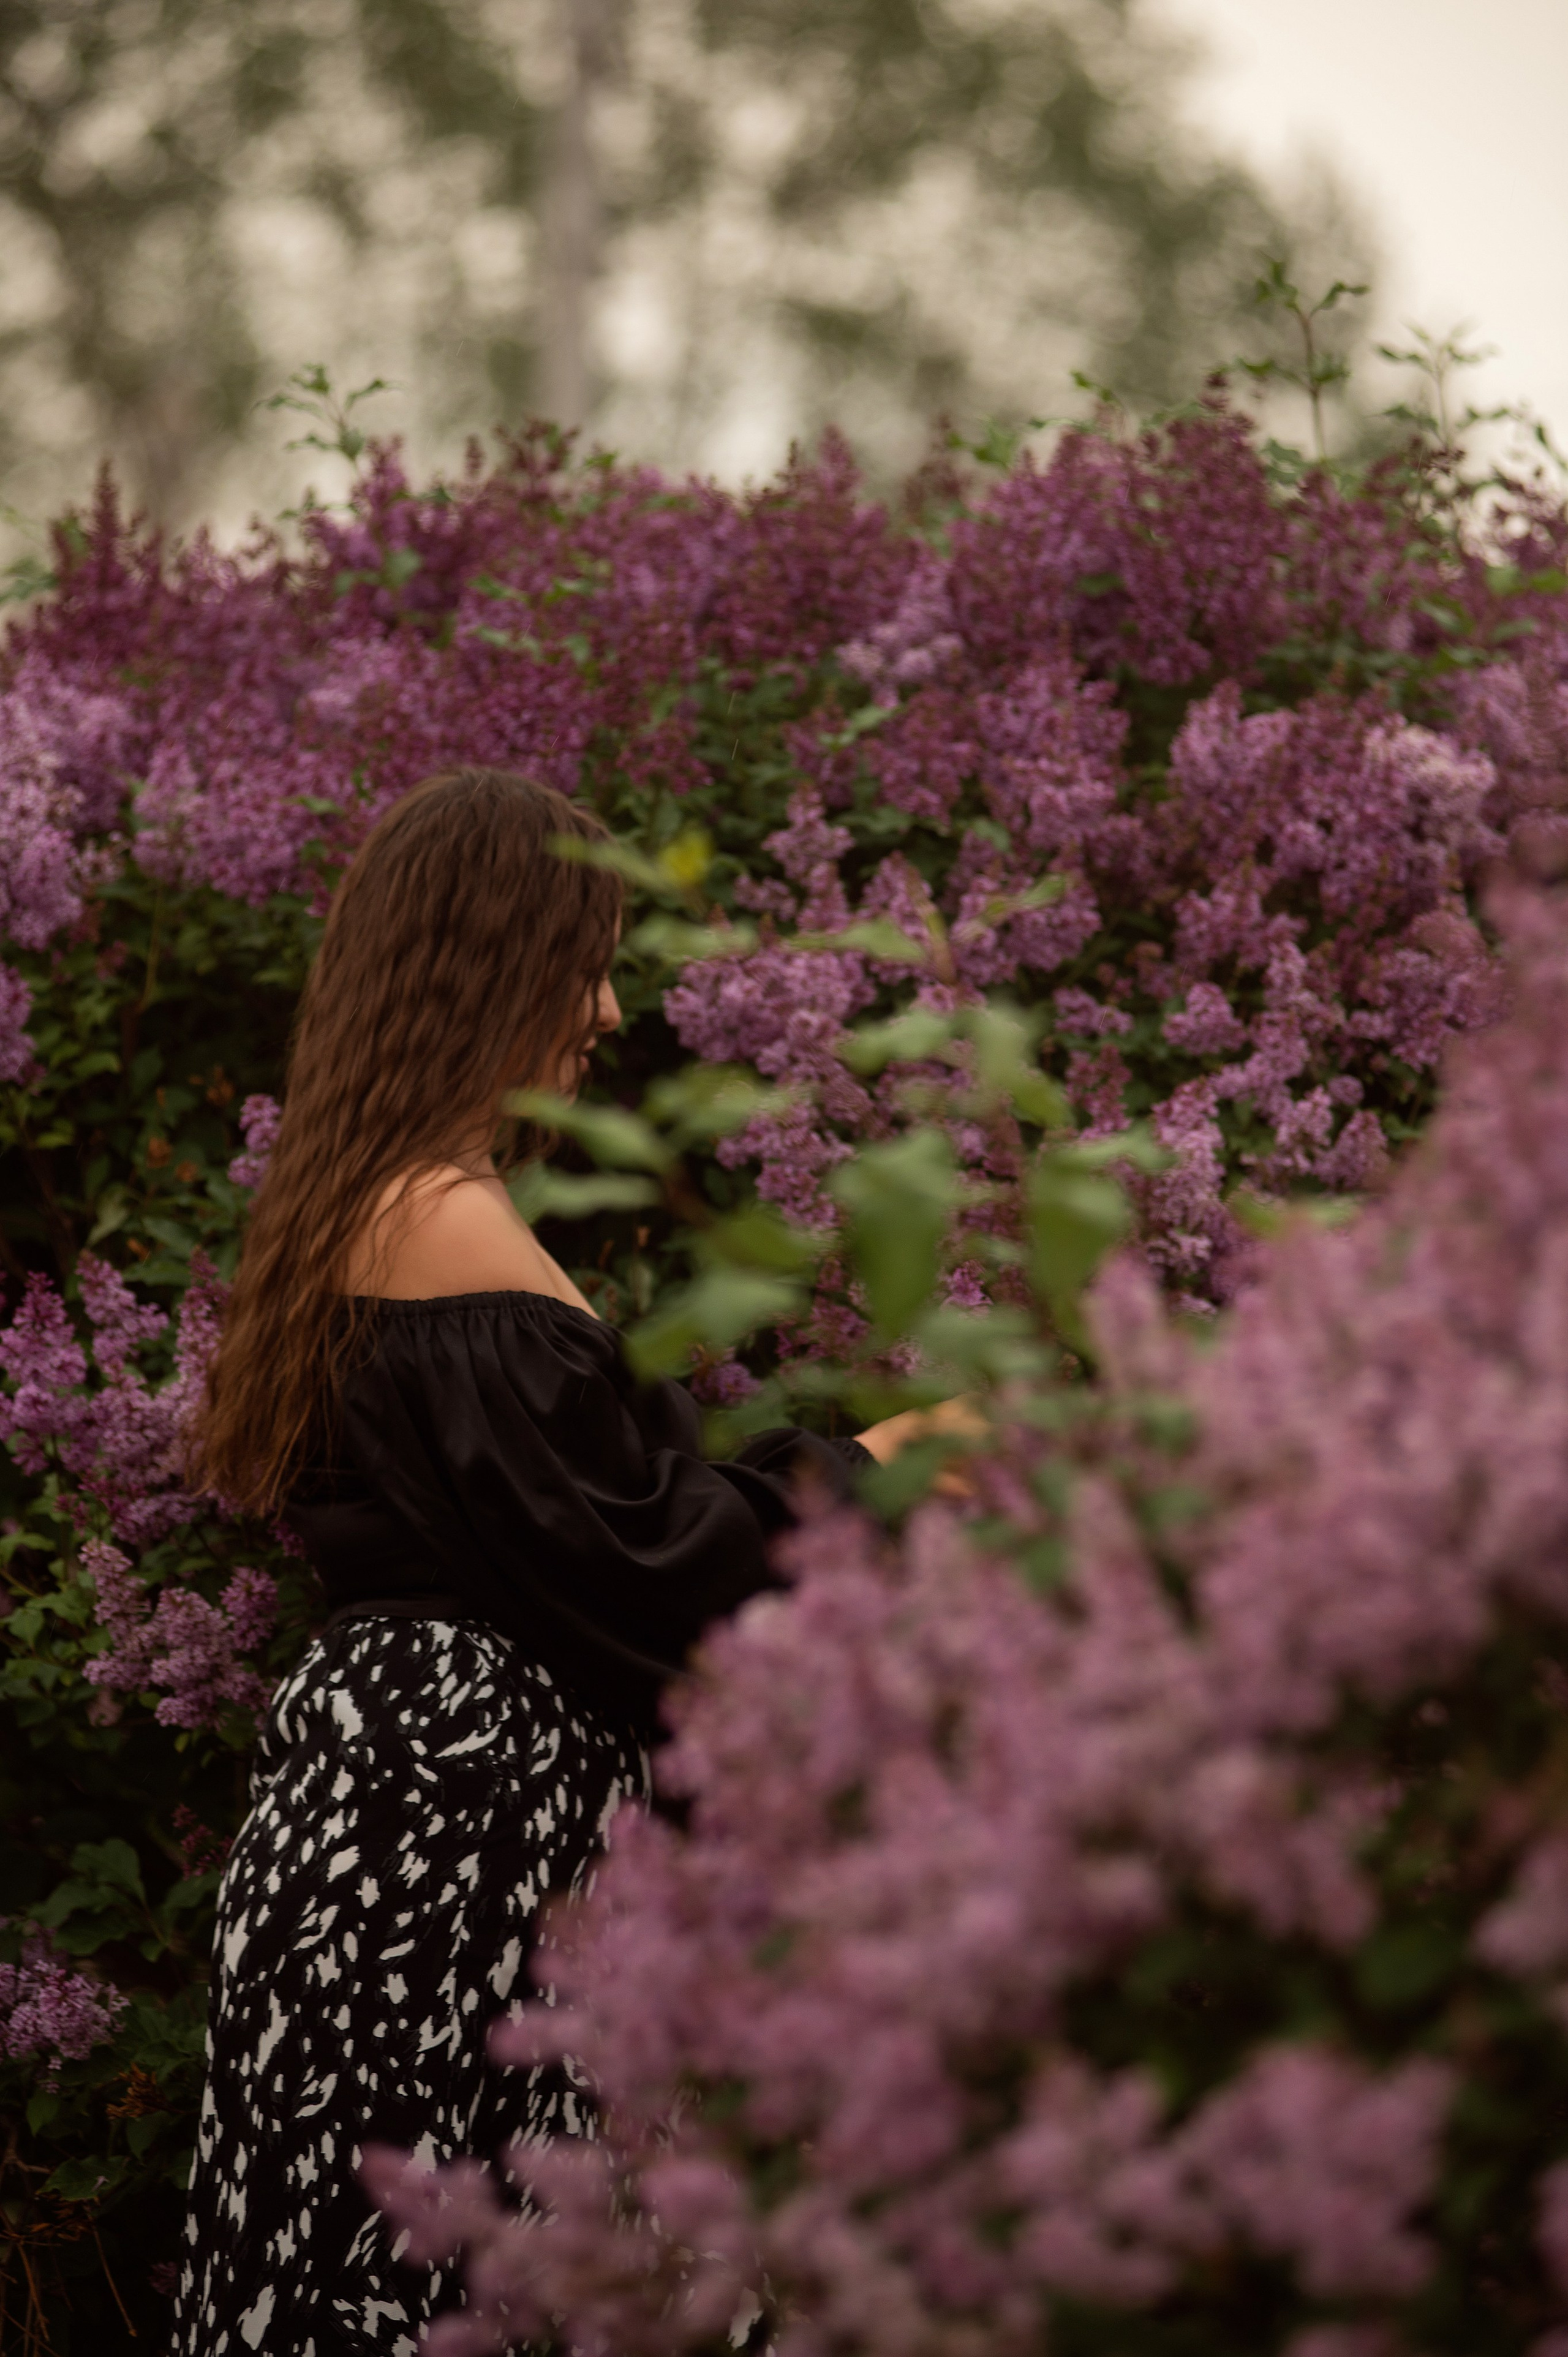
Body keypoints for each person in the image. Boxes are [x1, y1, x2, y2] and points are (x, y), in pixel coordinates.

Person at [170, 767, 933, 2356]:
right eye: (578, 960)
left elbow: (566, 1532)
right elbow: (654, 1568)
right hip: (442, 1915)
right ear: (485, 962)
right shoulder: (442, 1219)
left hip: (384, 1873)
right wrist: (888, 1472)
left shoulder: (351, 1209)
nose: (603, 1005)